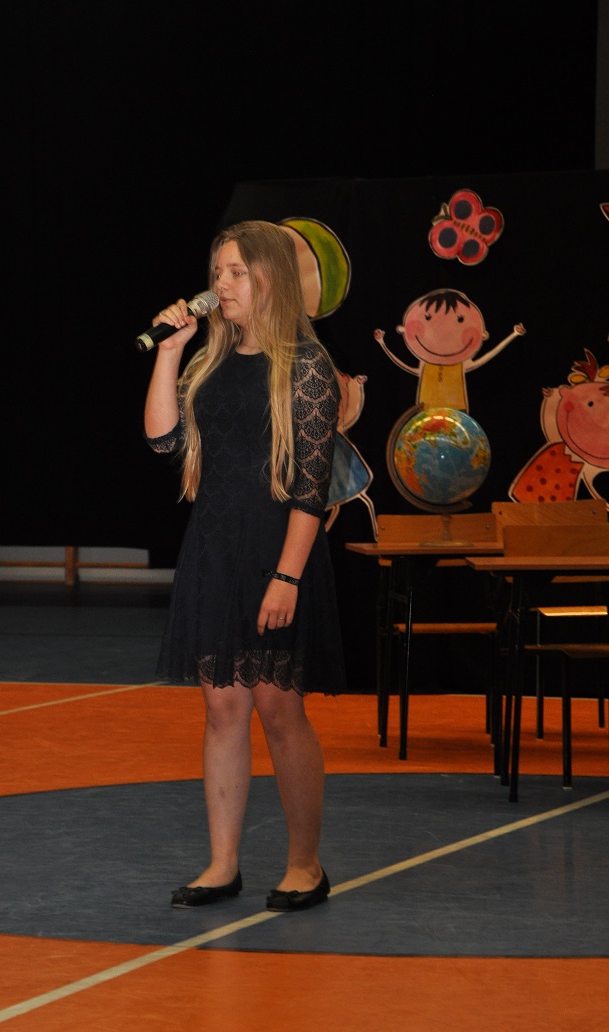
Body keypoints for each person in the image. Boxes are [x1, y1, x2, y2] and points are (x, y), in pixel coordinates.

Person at [144, 220, 345, 912]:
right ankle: (222, 863)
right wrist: (171, 352)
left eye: (235, 272)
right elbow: (163, 441)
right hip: (214, 547)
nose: (221, 285)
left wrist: (287, 577)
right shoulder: (210, 360)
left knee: (278, 708)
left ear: (270, 280)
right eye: (217, 272)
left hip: (276, 550)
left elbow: (311, 488)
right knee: (222, 705)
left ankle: (305, 865)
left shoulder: (307, 366)